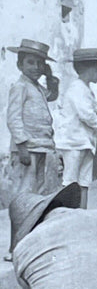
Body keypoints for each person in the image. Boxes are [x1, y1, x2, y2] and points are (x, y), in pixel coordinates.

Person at [6, 39, 60, 197]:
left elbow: (52, 96)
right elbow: (13, 118)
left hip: (41, 146)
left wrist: (50, 77)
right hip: (27, 149)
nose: (36, 67)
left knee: (39, 188)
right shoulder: (20, 87)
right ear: (19, 66)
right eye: (30, 62)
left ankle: (36, 220)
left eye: (40, 63)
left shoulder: (36, 87)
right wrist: (22, 147)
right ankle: (22, 220)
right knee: (25, 189)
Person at [56, 49, 97, 209]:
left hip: (85, 143)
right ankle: (67, 212)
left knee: (84, 181)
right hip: (73, 142)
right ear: (89, 70)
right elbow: (87, 114)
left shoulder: (86, 90)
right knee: (70, 181)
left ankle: (81, 212)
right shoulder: (76, 89)